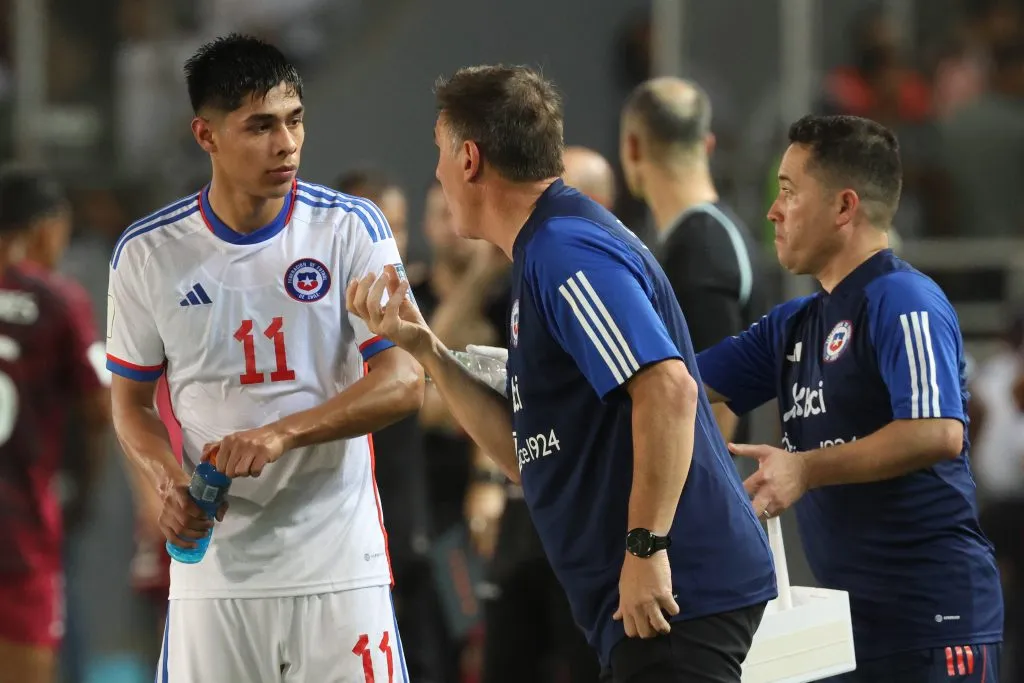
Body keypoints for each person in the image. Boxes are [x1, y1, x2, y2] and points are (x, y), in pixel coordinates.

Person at [347, 64, 776, 683]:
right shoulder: (540, 253)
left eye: (439, 153)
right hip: (647, 601)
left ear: (469, 159)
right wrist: (427, 350)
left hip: (679, 593)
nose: (436, 174)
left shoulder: (564, 250)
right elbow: (530, 456)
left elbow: (670, 388)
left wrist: (647, 547)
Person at [106, 34, 424, 682]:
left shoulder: (351, 229)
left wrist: (281, 433)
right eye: (260, 126)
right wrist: (169, 481)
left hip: (337, 564)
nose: (286, 144)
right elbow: (130, 402)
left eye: (294, 120)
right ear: (206, 135)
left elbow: (405, 379)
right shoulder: (147, 253)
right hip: (216, 571)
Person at [696, 114, 1004, 683]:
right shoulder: (793, 325)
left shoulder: (903, 298)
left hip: (931, 624)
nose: (773, 210)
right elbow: (678, 384)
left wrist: (806, 468)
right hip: (845, 632)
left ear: (844, 207)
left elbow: (938, 431)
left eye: (788, 192)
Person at [0, 168, 110, 683]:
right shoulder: (58, 300)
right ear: (45, 228)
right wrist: (83, 497)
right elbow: (99, 412)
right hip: (20, 529)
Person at [620, 76, 764, 442]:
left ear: (633, 147)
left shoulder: (702, 247)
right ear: (708, 145)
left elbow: (719, 401)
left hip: (703, 493)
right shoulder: (702, 239)